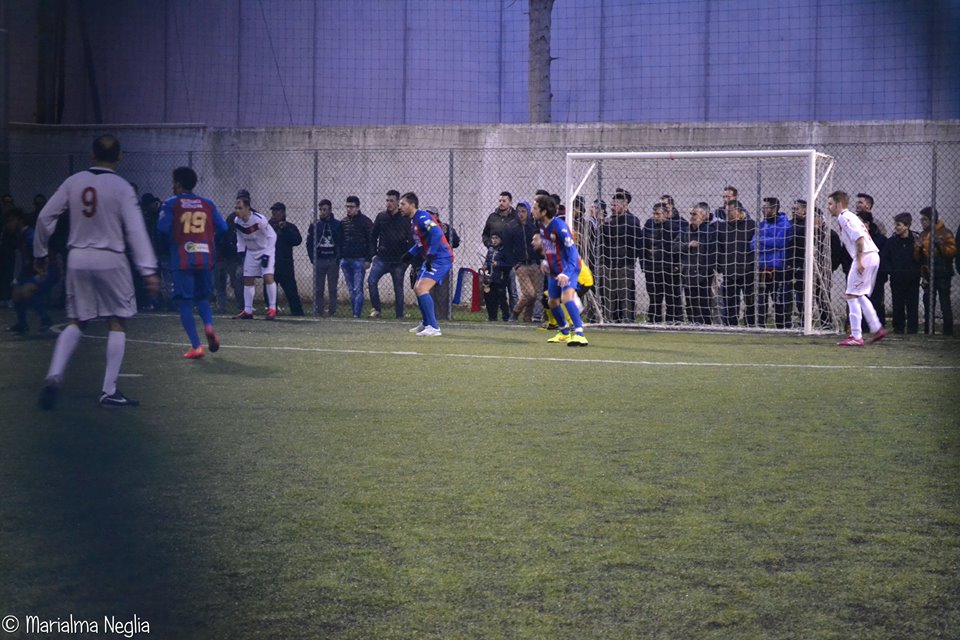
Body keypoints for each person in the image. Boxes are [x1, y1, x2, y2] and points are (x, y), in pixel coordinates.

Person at [33, 134, 159, 409]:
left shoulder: (73, 181)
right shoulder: (122, 186)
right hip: (111, 258)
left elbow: (45, 217)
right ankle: (108, 390)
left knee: (76, 320)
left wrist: (40, 253)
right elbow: (136, 230)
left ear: (91, 155)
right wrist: (148, 270)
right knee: (117, 321)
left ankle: (54, 375)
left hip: (77, 257)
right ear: (120, 156)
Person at [156, 166, 228, 358]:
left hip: (182, 257)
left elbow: (162, 228)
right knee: (202, 298)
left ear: (178, 184)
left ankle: (196, 346)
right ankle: (209, 326)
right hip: (204, 257)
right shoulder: (207, 203)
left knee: (185, 302)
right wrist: (207, 237)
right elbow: (223, 227)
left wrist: (177, 237)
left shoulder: (171, 203)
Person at [828, 190, 886, 346]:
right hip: (872, 255)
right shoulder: (850, 216)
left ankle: (856, 336)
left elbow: (859, 238)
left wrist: (859, 260)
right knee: (859, 295)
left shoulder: (844, 217)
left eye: (830, 204)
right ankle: (876, 328)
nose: (829, 207)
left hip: (865, 256)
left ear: (839, 204)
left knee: (851, 295)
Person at [532, 193, 588, 346]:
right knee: (552, 302)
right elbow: (550, 248)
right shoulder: (542, 226)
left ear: (544, 212)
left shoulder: (560, 227)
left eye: (535, 208)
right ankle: (564, 332)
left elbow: (573, 253)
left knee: (567, 298)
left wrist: (566, 273)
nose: (533, 211)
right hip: (554, 270)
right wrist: (546, 261)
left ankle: (579, 334)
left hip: (568, 268)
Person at [399, 192, 453, 337]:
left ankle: (434, 327)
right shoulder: (414, 221)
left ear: (412, 205)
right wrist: (410, 254)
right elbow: (421, 243)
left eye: (403, 204)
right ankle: (426, 322)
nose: (400, 207)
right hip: (432, 257)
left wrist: (430, 255)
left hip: (441, 258)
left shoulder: (422, 217)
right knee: (417, 288)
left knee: (422, 288)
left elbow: (436, 233)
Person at [5, 207, 60, 334]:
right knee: (16, 292)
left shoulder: (30, 235)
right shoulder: (21, 236)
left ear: (20, 220)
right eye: (7, 222)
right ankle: (22, 324)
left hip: (48, 270)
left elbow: (44, 256)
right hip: (36, 270)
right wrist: (18, 279)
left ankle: (46, 320)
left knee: (26, 290)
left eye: (11, 221)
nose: (8, 225)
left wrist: (42, 272)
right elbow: (27, 262)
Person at [596, 188, 643, 323]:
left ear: (624, 205)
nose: (612, 208)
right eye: (612, 205)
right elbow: (603, 239)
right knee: (609, 294)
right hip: (609, 263)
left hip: (624, 264)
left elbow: (620, 233)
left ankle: (628, 320)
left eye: (615, 205)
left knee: (625, 295)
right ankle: (608, 319)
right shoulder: (609, 220)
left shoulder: (632, 220)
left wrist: (604, 225)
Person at [368, 190, 413, 319]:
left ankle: (399, 315)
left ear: (398, 202)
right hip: (382, 258)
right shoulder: (381, 217)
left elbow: (411, 239)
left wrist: (407, 259)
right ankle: (376, 309)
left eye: (392, 201)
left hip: (399, 261)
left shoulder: (405, 218)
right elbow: (373, 235)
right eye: (387, 200)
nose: (389, 203)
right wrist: (373, 254)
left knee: (398, 288)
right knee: (371, 281)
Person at [233, 195, 278, 320]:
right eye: (236, 208)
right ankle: (248, 311)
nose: (237, 210)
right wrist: (240, 250)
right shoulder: (237, 221)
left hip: (265, 250)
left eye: (240, 208)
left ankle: (272, 309)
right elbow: (240, 237)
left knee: (268, 277)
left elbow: (272, 236)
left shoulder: (259, 219)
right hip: (251, 252)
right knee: (248, 279)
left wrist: (267, 254)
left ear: (247, 208)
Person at [751, 197, 792, 328]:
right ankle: (760, 326)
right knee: (760, 300)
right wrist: (768, 242)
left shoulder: (784, 224)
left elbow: (779, 242)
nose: (763, 209)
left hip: (777, 267)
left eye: (766, 207)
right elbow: (752, 244)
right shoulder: (762, 225)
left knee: (779, 300)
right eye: (763, 207)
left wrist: (762, 240)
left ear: (774, 209)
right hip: (761, 267)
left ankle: (782, 327)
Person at [915, 207, 956, 335]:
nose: (922, 222)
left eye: (925, 219)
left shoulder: (945, 233)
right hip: (928, 273)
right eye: (921, 219)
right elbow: (917, 257)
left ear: (933, 220)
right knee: (928, 302)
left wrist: (940, 245)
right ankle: (928, 329)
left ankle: (948, 331)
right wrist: (918, 248)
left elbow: (952, 252)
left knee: (944, 303)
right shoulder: (923, 234)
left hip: (942, 273)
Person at [717, 200, 757, 327]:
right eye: (726, 211)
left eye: (730, 211)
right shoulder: (721, 228)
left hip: (747, 271)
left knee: (750, 301)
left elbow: (755, 247)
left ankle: (750, 325)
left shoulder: (750, 225)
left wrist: (751, 264)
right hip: (729, 271)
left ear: (739, 211)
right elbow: (719, 249)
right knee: (730, 303)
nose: (727, 213)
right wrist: (721, 266)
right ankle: (731, 326)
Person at [880, 212, 922, 334]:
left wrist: (917, 272)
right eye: (896, 225)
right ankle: (898, 328)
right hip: (897, 279)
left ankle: (912, 329)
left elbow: (921, 258)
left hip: (912, 279)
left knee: (912, 305)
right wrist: (891, 271)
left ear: (907, 226)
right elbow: (885, 258)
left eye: (899, 225)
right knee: (897, 305)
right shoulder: (891, 242)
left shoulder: (915, 241)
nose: (896, 227)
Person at [482, 191, 520, 318]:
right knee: (496, 288)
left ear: (510, 202)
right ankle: (494, 315)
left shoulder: (515, 217)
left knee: (512, 288)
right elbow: (485, 233)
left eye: (504, 201)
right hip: (495, 256)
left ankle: (513, 316)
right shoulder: (493, 217)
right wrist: (490, 245)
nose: (501, 203)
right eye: (500, 201)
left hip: (510, 257)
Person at [642, 202, 682, 323]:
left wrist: (676, 265)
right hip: (652, 268)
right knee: (654, 298)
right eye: (654, 213)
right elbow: (642, 245)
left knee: (671, 298)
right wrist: (644, 265)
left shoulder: (674, 228)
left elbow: (677, 248)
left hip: (669, 269)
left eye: (657, 214)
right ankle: (654, 320)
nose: (655, 216)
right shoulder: (649, 225)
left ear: (665, 214)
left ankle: (671, 321)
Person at [679, 203, 717, 324]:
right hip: (687, 273)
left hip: (703, 274)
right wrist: (687, 245)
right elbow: (674, 246)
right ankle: (691, 324)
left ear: (705, 216)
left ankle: (706, 326)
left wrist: (704, 270)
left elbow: (712, 255)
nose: (692, 216)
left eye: (695, 214)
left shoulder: (710, 232)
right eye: (691, 214)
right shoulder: (686, 231)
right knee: (690, 303)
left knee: (704, 303)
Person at [855, 193, 887, 331]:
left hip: (873, 270)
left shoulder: (878, 228)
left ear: (868, 206)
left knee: (873, 298)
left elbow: (881, 249)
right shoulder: (852, 223)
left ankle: (876, 325)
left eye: (860, 203)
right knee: (854, 297)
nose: (857, 205)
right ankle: (856, 326)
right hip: (857, 268)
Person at [306, 199, 342, 317]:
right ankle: (318, 310)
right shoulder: (315, 225)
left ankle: (332, 311)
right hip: (320, 259)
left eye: (325, 210)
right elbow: (309, 243)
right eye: (320, 210)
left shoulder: (337, 224)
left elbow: (341, 241)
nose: (322, 212)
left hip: (332, 260)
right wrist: (313, 258)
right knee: (318, 288)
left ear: (330, 210)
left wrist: (338, 257)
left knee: (332, 288)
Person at [339, 195, 374, 318]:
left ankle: (356, 314)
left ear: (358, 208)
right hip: (345, 259)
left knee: (357, 288)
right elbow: (340, 240)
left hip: (359, 259)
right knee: (351, 288)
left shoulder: (365, 221)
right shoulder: (343, 222)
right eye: (347, 207)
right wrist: (340, 256)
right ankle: (354, 312)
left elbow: (371, 241)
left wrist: (368, 259)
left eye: (351, 207)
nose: (349, 209)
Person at [268, 202, 304, 316]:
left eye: (277, 210)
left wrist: (285, 229)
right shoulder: (268, 226)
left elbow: (297, 240)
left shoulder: (290, 227)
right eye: (273, 210)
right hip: (271, 265)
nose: (274, 213)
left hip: (285, 266)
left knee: (292, 293)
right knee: (269, 292)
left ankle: (297, 314)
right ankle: (271, 312)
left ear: (283, 212)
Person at [512, 201, 541, 322]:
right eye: (519, 211)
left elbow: (538, 246)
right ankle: (515, 312)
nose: (521, 214)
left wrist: (539, 262)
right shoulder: (513, 228)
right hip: (521, 265)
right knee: (530, 293)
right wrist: (515, 264)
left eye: (523, 211)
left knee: (534, 296)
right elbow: (509, 248)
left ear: (528, 212)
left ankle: (527, 317)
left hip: (534, 264)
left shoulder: (533, 228)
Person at [480, 232, 511, 321]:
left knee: (501, 298)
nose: (494, 240)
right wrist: (485, 266)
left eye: (496, 238)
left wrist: (498, 264)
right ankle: (492, 317)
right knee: (490, 298)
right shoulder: (490, 249)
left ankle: (506, 317)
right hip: (491, 278)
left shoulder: (505, 250)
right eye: (493, 238)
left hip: (500, 278)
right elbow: (488, 261)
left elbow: (509, 264)